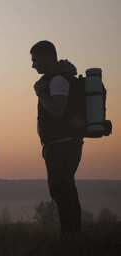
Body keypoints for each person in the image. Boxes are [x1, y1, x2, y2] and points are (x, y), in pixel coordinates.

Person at [30, 41, 83, 235]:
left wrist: (41, 93)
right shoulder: (56, 78)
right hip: (61, 145)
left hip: (62, 146)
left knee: (62, 190)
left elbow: (58, 110)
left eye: (35, 60)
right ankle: (71, 235)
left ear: (46, 57)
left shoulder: (57, 81)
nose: (33, 65)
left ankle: (71, 237)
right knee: (64, 189)